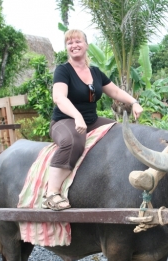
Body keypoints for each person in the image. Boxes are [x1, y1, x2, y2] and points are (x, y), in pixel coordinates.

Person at [43, 29, 143, 211]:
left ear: (86, 45)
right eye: (70, 43)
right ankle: (52, 193)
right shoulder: (63, 71)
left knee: (122, 132)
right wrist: (77, 116)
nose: (74, 45)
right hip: (64, 121)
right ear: (67, 48)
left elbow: (115, 92)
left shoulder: (95, 72)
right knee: (73, 141)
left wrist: (134, 102)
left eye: (77, 41)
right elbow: (59, 98)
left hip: (91, 120)